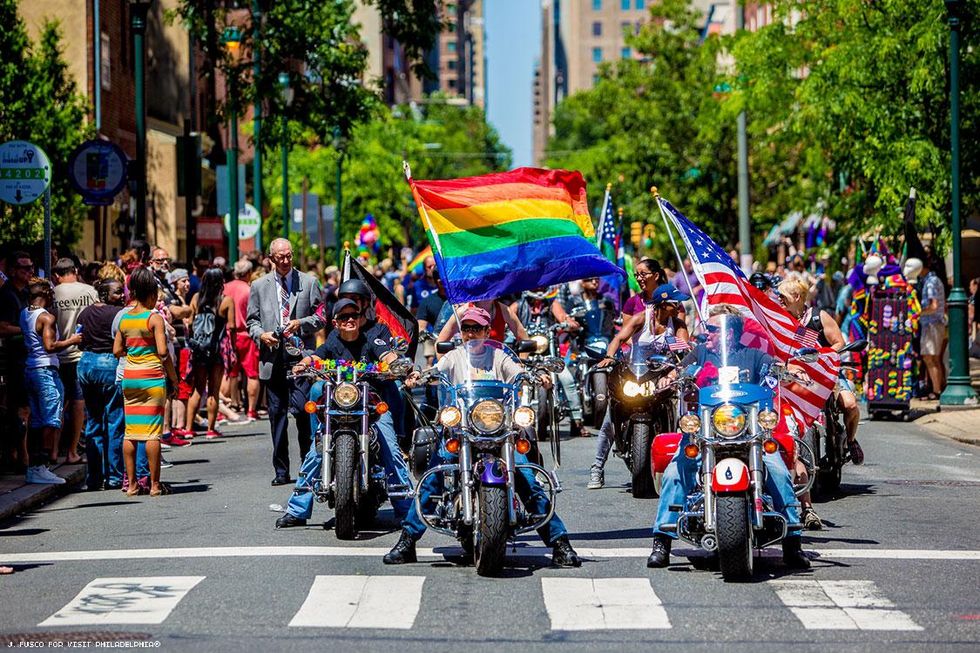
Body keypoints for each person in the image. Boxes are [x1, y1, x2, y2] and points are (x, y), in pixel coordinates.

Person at [387, 306, 581, 567]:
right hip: (461, 429)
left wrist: (535, 376)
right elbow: (434, 372)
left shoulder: (499, 356)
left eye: (477, 328)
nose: (471, 334)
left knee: (526, 479)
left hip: (499, 432)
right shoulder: (454, 357)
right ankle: (407, 540)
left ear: (487, 331)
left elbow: (517, 372)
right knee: (434, 476)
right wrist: (418, 377)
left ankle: (560, 543)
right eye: (466, 328)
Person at [647, 307, 810, 570]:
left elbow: (774, 367)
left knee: (778, 471)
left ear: (730, 333)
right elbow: (682, 371)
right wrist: (670, 377)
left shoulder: (754, 357)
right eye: (708, 329)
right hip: (704, 433)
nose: (706, 334)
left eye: (713, 330)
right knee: (676, 471)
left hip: (751, 432)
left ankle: (793, 542)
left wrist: (791, 371)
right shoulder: (700, 354)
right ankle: (661, 541)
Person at [274, 299, 413, 529]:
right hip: (339, 404)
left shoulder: (370, 339)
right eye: (344, 317)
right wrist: (303, 364)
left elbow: (387, 355)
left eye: (354, 316)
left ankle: (406, 508)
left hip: (370, 405)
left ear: (360, 319)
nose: (350, 320)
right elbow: (317, 356)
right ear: (335, 322)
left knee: (390, 447)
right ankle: (298, 509)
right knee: (317, 448)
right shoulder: (332, 340)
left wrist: (399, 364)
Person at [589, 284, 689, 489]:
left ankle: (681, 468)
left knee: (682, 417)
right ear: (662, 305)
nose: (679, 305)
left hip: (661, 379)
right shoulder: (642, 318)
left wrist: (671, 374)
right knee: (610, 419)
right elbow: (619, 338)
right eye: (674, 303)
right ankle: (597, 468)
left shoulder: (677, 325)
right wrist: (609, 357)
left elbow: (683, 357)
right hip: (635, 375)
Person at [246, 238, 324, 486]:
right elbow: (252, 322)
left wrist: (301, 323)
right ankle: (281, 470)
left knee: (303, 412)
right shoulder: (259, 286)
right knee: (276, 414)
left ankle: (307, 466)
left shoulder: (309, 282)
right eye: (280, 257)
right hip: (273, 358)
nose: (285, 261)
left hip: (301, 358)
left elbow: (322, 317)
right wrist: (262, 335)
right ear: (271, 258)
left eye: (289, 256)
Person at [778, 277, 863, 468]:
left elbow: (839, 342)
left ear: (797, 296)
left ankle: (850, 441)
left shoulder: (818, 317)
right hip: (794, 376)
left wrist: (823, 356)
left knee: (849, 404)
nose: (780, 300)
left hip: (826, 373)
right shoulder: (780, 320)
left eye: (783, 296)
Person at [113, 267, 178, 497]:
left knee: (130, 431)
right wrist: (173, 377)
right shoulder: (154, 318)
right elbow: (163, 351)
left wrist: (134, 351)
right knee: (152, 433)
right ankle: (154, 485)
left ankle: (131, 485)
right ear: (151, 293)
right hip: (151, 377)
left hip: (130, 377)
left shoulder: (124, 318)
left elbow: (117, 350)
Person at [21, 278, 83, 484]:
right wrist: (72, 340)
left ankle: (34, 467)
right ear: (46, 295)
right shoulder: (47, 317)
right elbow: (49, 346)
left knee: (37, 420)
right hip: (46, 371)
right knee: (50, 419)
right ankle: (41, 466)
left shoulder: (25, 313)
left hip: (31, 368)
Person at [77, 279, 126, 490]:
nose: (122, 295)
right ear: (104, 295)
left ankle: (94, 478)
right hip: (108, 364)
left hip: (86, 363)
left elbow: (79, 336)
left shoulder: (85, 313)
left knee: (94, 422)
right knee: (114, 421)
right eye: (117, 292)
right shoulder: (118, 313)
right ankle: (114, 476)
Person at [51, 258, 99, 464]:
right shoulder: (89, 291)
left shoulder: (52, 292)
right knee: (79, 403)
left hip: (56, 353)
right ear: (76, 271)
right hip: (82, 353)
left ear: (56, 275)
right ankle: (72, 451)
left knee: (60, 403)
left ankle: (53, 451)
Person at [185, 268, 235, 438]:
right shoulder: (226, 301)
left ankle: (188, 428)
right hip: (217, 350)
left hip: (199, 350)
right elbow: (232, 327)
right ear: (221, 282)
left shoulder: (196, 299)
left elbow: (190, 323)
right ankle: (211, 430)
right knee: (213, 389)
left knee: (197, 389)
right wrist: (232, 350)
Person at [223, 260, 260, 420]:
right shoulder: (249, 290)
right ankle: (251, 410)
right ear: (249, 273)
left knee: (227, 373)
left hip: (227, 334)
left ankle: (222, 411)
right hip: (246, 334)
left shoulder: (225, 288)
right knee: (252, 374)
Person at [919, 256, 947, 399]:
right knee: (933, 358)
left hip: (932, 323)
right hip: (934, 323)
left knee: (930, 357)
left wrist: (918, 313)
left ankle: (937, 391)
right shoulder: (933, 280)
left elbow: (934, 306)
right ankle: (937, 389)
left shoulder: (931, 282)